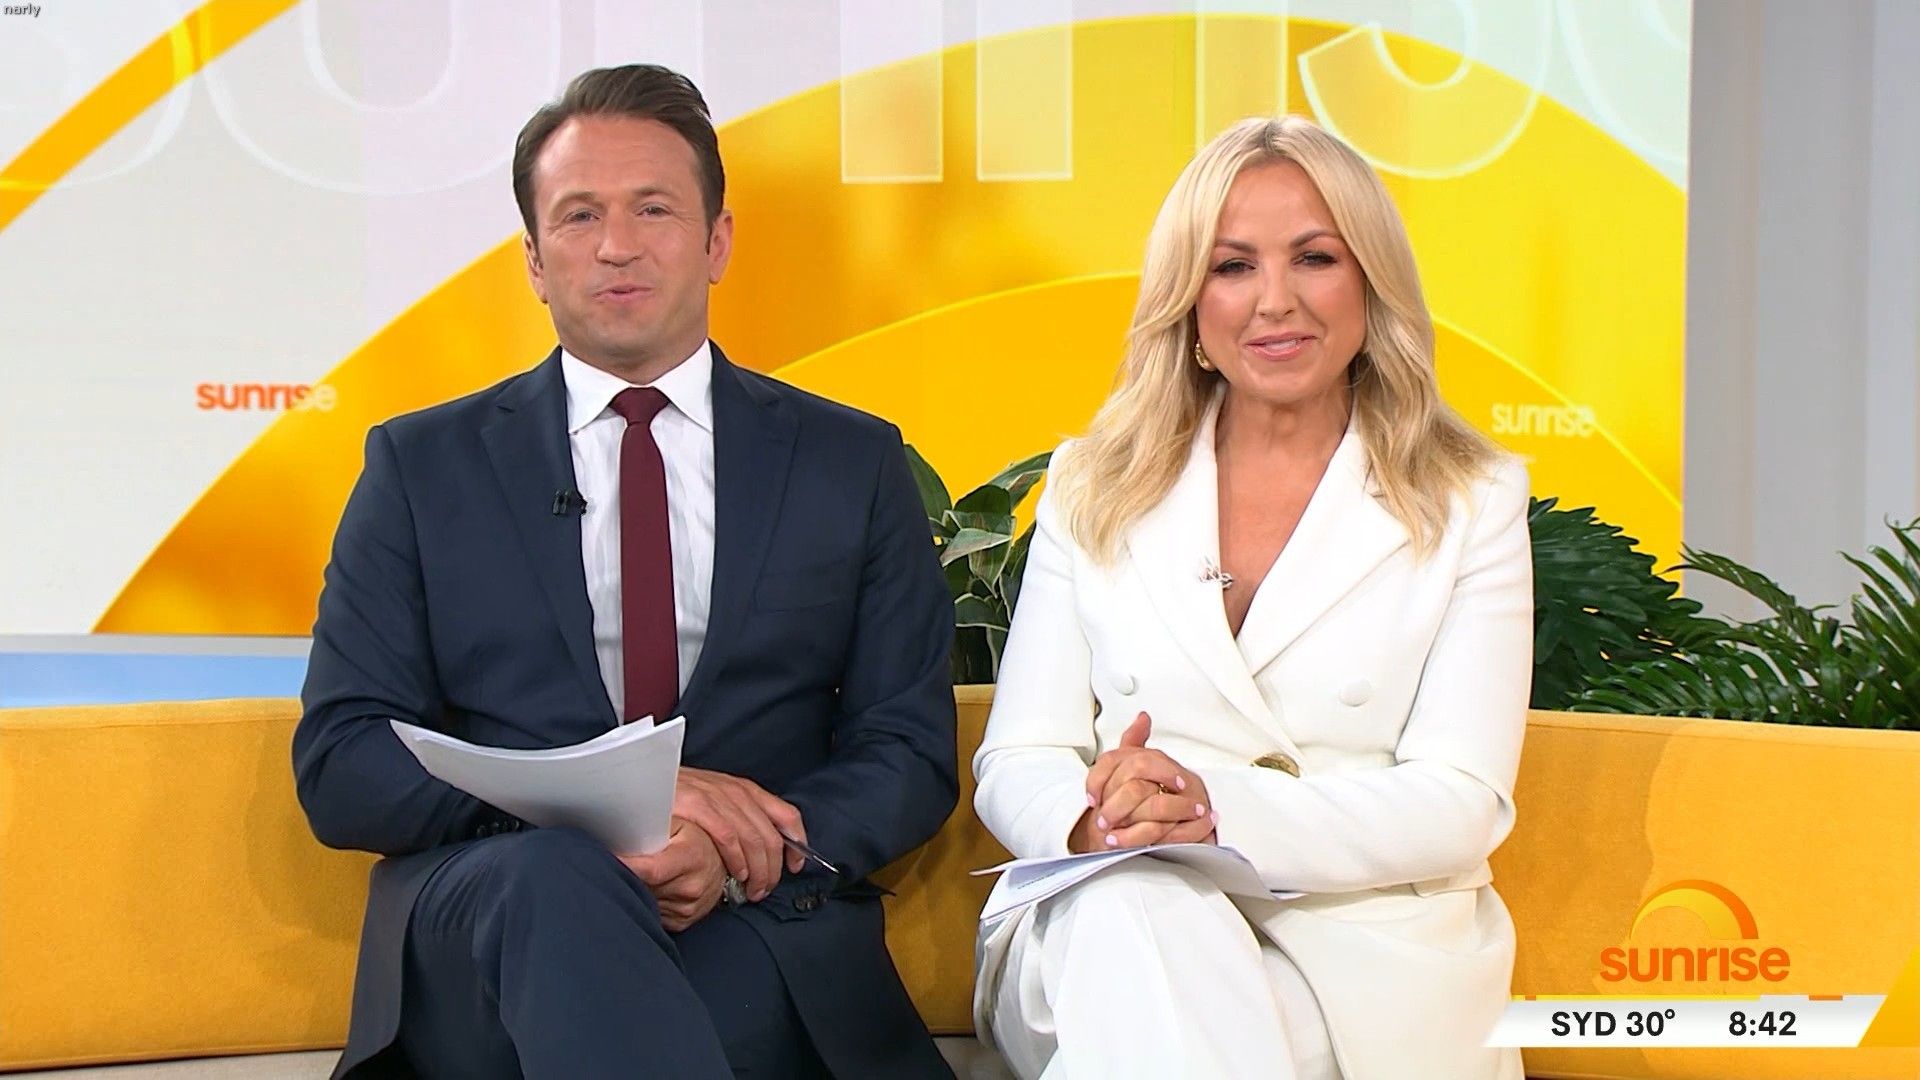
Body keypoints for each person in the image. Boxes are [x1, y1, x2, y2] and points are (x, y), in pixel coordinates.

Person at [294, 64, 958, 1079]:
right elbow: (343, 763)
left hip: (751, 917)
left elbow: (906, 751)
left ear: (717, 241)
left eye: (653, 208)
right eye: (579, 215)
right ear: (532, 259)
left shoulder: (849, 462)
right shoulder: (420, 468)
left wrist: (732, 852)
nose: (616, 245)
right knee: (558, 881)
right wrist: (609, 810)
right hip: (498, 918)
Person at [971, 114, 1532, 1080]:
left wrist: (1214, 811)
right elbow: (1020, 755)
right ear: (1189, 302)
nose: (1276, 301)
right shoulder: (1091, 484)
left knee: (1167, 1025)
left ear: (1370, 283)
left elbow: (1461, 800)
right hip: (1112, 903)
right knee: (1137, 909)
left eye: (1315, 257)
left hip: (1361, 944)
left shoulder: (1469, 498)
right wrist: (1101, 824)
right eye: (1233, 267)